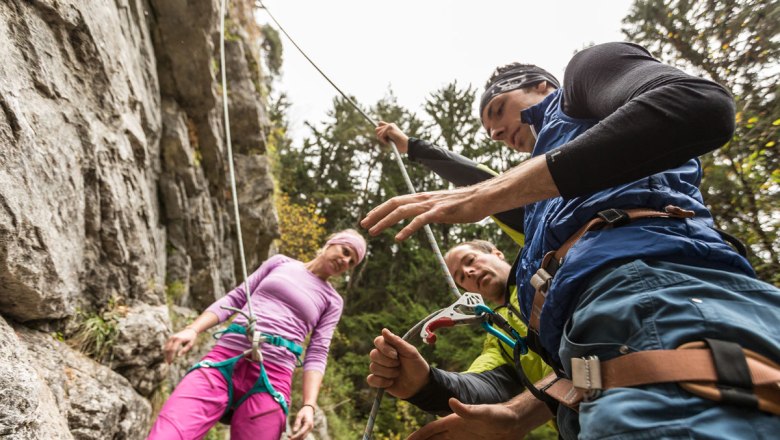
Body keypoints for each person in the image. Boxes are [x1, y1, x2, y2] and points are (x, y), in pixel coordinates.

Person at [361, 42, 780, 439]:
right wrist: (439, 391)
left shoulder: (580, 85)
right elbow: (485, 185)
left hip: (655, 302)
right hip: (596, 366)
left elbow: (697, 105)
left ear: (541, 86)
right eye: (488, 130)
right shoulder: (545, 222)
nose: (495, 133)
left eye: (498, 109)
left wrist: (419, 151)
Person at [147, 230, 367, 440]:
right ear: (330, 243)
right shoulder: (280, 263)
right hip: (224, 359)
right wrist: (192, 329)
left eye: (352, 262)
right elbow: (236, 299)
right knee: (167, 434)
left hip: (272, 378)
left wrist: (309, 405)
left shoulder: (333, 301)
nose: (345, 261)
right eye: (346, 251)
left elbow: (318, 352)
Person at [367, 240, 551, 417]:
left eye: (470, 260)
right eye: (461, 277)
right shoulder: (498, 340)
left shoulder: (545, 261)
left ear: (497, 253)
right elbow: (481, 386)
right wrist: (426, 384)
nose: (469, 272)